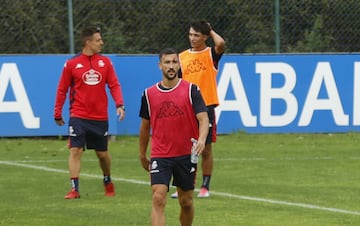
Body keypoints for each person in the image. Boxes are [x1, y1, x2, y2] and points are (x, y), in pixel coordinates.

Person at [139, 48, 209, 226]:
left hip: (186, 154)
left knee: (186, 202)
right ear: (160, 65)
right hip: (160, 154)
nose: (171, 66)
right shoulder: (149, 94)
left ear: (179, 64)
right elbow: (145, 127)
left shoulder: (191, 90)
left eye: (174, 62)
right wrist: (142, 154)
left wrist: (201, 140)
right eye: (167, 62)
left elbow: (203, 118)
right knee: (158, 198)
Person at [54, 26, 125, 199]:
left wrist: (119, 104)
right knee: (75, 150)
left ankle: (107, 180)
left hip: (99, 117)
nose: (102, 43)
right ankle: (74, 189)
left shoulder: (105, 62)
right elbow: (62, 89)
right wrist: (58, 112)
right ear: (88, 42)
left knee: (102, 154)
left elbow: (114, 84)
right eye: (98, 40)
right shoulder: (72, 64)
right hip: (78, 115)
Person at [171, 20, 225, 198]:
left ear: (204, 37)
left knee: (206, 148)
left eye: (196, 35)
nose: (192, 38)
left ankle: (205, 186)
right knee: (183, 148)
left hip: (206, 107)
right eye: (190, 34)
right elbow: (176, 83)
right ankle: (185, 185)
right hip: (186, 107)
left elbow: (221, 43)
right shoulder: (182, 57)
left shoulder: (211, 54)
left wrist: (210, 29)